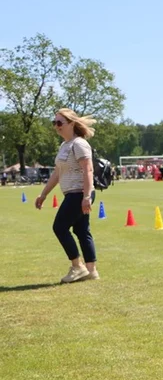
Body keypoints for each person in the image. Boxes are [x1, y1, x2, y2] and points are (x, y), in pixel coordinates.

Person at [35, 109, 101, 283]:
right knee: (81, 230)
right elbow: (57, 174)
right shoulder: (64, 146)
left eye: (59, 123)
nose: (56, 127)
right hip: (72, 194)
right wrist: (43, 194)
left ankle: (77, 267)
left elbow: (88, 170)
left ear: (71, 123)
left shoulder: (79, 144)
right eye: (54, 123)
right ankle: (91, 271)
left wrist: (86, 196)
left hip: (79, 193)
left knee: (59, 227)